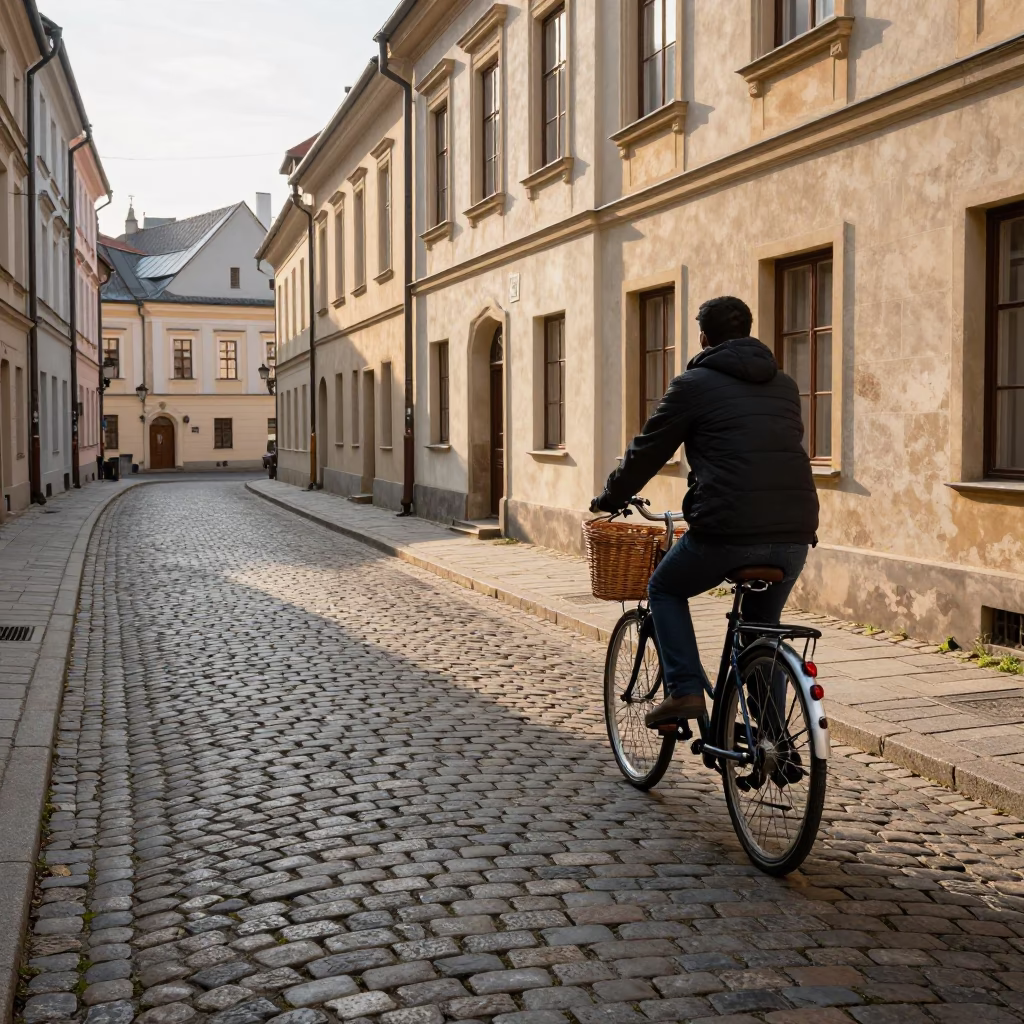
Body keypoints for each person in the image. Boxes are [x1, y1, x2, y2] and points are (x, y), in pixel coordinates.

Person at [591, 295, 819, 727]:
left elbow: (648, 451)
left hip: (726, 528)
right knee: (760, 631)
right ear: (749, 331)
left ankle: (686, 691)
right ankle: (773, 742)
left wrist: (610, 496)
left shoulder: (693, 384)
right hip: (795, 530)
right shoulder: (785, 385)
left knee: (664, 589)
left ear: (703, 337)